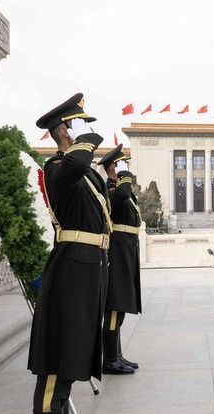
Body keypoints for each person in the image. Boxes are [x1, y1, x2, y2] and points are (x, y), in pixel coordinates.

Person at [29, 93, 110, 414]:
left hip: (87, 269)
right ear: (64, 130)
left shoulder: (85, 174)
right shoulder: (57, 167)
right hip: (70, 272)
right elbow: (78, 160)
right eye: (77, 126)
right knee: (54, 372)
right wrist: (88, 138)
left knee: (69, 365)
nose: (86, 135)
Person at [97, 144, 142, 374]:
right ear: (113, 166)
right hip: (118, 251)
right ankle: (110, 360)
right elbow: (123, 194)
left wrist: (122, 175)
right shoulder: (111, 189)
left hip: (126, 250)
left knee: (120, 308)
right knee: (114, 308)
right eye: (121, 164)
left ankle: (117, 356)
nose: (127, 168)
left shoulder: (118, 188)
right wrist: (122, 174)